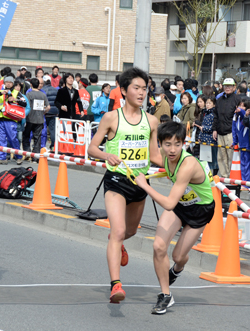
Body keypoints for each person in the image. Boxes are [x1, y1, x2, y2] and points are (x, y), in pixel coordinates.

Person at [87, 67, 162, 304]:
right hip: (117, 181)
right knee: (119, 231)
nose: (141, 93)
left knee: (129, 232)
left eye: (145, 88)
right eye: (136, 88)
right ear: (123, 90)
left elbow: (154, 156)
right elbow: (92, 148)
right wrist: (105, 155)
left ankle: (116, 242)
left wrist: (180, 164)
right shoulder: (112, 118)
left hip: (140, 184)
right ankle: (116, 285)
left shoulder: (152, 121)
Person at [135, 121, 215, 315]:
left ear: (184, 143)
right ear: (161, 144)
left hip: (200, 209)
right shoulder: (163, 153)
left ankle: (178, 269)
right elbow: (152, 154)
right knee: (158, 246)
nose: (172, 150)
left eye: (177, 144)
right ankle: (165, 295)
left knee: (178, 256)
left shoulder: (187, 165)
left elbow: (169, 203)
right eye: (167, 144)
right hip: (180, 205)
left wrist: (145, 185)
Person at [0, 75, 25, 165]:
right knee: (1, 139)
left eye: (10, 82)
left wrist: (15, 99)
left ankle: (19, 156)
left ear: (13, 83)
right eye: (7, 82)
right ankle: (2, 158)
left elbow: (24, 103)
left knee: (12, 139)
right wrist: (0, 94)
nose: (8, 84)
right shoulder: (1, 91)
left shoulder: (17, 93)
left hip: (11, 119)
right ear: (4, 83)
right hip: (0, 118)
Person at [213, 78, 241, 178]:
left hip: (231, 132)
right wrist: (214, 129)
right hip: (220, 131)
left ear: (234, 87)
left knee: (231, 155)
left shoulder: (237, 99)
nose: (227, 88)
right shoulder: (219, 100)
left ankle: (231, 177)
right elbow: (215, 115)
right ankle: (224, 177)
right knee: (220, 157)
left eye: (230, 86)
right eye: (225, 86)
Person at [24, 78, 50, 155]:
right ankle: (36, 155)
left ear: (31, 84)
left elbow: (26, 105)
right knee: (37, 138)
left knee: (26, 136)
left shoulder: (29, 94)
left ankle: (27, 153)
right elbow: (48, 107)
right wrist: (43, 112)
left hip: (30, 118)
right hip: (40, 119)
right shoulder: (43, 95)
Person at [232, 99, 250, 184]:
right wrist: (234, 142)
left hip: (247, 143)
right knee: (243, 164)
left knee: (247, 164)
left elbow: (243, 113)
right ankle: (243, 182)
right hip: (241, 144)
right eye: (239, 105)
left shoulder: (246, 116)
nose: (241, 107)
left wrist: (240, 110)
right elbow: (234, 130)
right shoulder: (236, 116)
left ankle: (248, 183)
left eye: (243, 106)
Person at [199, 96, 218, 175]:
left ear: (214, 105)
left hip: (211, 139)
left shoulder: (213, 114)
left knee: (213, 160)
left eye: (210, 103)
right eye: (207, 103)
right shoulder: (205, 113)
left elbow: (213, 127)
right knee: (205, 160)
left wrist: (204, 128)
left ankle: (214, 176)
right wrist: (200, 136)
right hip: (204, 139)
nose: (207, 105)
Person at [42, 76, 60, 150]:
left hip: (45, 112)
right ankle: (53, 146)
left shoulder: (43, 90)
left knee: (43, 130)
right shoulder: (55, 90)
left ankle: (42, 146)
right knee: (53, 130)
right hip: (54, 112)